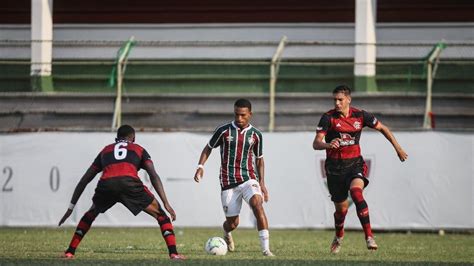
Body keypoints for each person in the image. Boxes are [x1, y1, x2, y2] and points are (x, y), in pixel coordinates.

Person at [58, 125, 185, 260]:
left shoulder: (105, 150)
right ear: (133, 138)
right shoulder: (139, 149)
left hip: (107, 185)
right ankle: (174, 253)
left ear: (116, 138)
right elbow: (153, 175)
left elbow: (84, 180)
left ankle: (70, 252)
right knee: (162, 216)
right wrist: (166, 202)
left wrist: (71, 208)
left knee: (91, 214)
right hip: (130, 184)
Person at [313, 85, 408, 254]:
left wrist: (398, 148)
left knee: (357, 193)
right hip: (334, 169)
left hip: (354, 165)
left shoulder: (361, 115)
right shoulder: (328, 118)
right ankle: (339, 237)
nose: (337, 103)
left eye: (340, 100)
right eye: (335, 99)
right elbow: (316, 143)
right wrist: (328, 144)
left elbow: (383, 128)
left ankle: (369, 237)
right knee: (341, 210)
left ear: (348, 99)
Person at [193, 98, 274, 256]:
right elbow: (208, 147)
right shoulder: (224, 130)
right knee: (233, 223)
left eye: (243, 115)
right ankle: (226, 232)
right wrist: (200, 166)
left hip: (248, 178)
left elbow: (259, 159)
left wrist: (262, 183)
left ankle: (266, 249)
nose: (239, 118)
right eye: (237, 114)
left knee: (258, 204)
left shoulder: (256, 135)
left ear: (250, 114)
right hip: (228, 181)